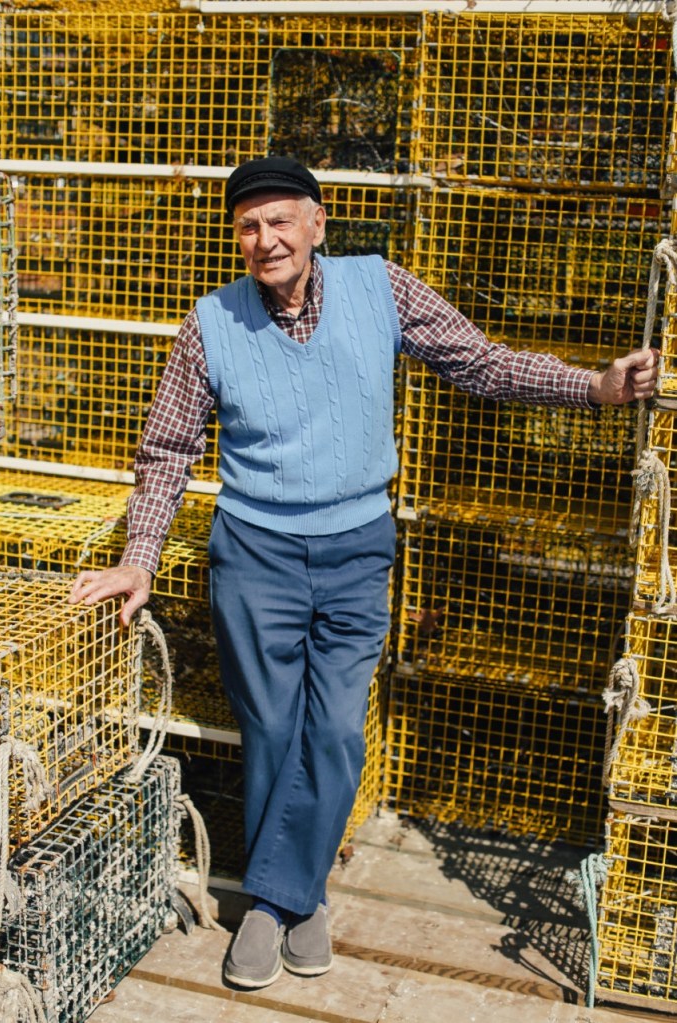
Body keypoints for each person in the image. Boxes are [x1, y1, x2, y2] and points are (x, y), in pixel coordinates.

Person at [69, 156, 658, 990]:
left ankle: (270, 901)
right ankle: (301, 905)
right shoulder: (211, 321)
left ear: (317, 221)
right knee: (272, 729)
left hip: (355, 548)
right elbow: (167, 448)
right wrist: (138, 560)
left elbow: (480, 362)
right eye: (248, 226)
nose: (264, 239)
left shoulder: (381, 285)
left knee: (338, 730)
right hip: (255, 555)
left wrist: (594, 387)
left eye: (280, 221)